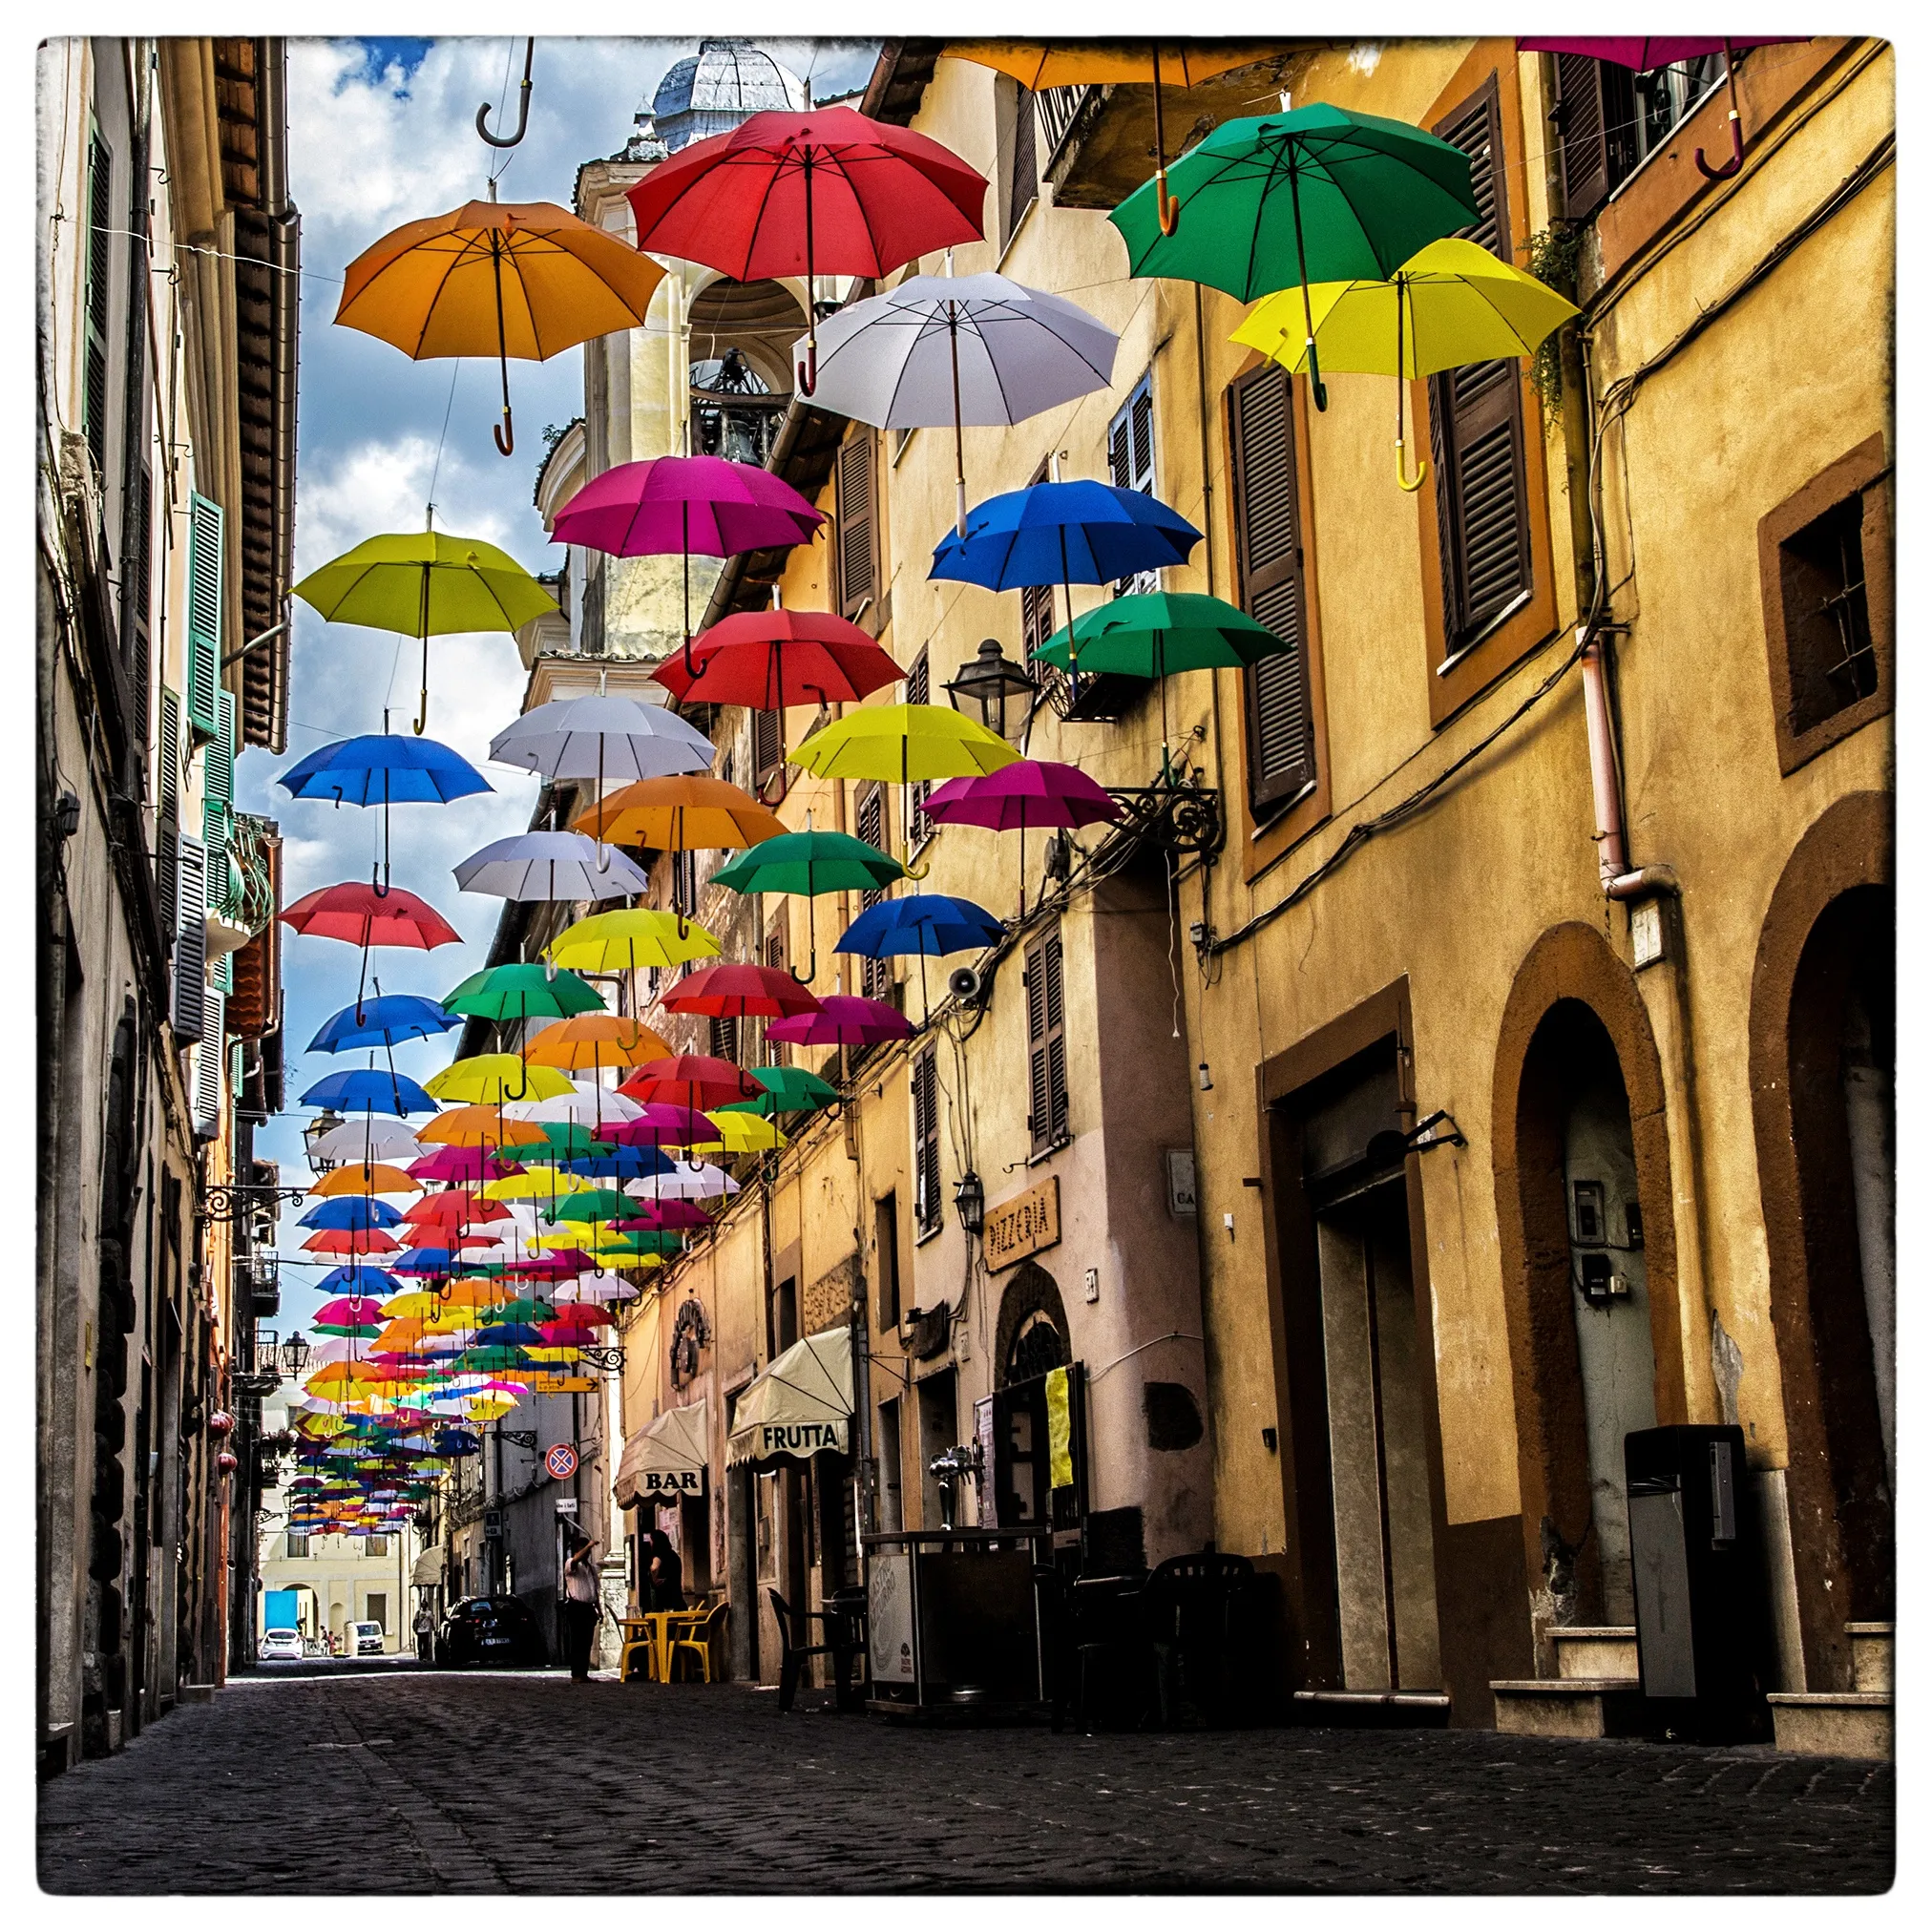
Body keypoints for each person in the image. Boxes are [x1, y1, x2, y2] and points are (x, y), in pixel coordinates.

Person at [561, 1532, 600, 1682]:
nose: (587, 1553)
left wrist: (599, 1609)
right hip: (576, 1606)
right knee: (577, 1641)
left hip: (589, 1607)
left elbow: (594, 1590)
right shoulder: (571, 1564)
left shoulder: (590, 1568)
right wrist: (588, 1545)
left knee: (587, 1641)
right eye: (585, 1550)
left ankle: (583, 1673)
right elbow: (576, 1559)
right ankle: (576, 1674)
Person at [647, 1525, 684, 1613]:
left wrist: (653, 1578)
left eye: (651, 1541)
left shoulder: (659, 1555)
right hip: (677, 1601)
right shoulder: (673, 1555)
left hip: (666, 1604)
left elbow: (654, 1568)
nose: (650, 1543)